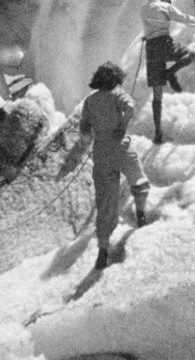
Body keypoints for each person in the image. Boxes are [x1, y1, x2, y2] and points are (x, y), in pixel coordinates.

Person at [79, 61, 150, 270]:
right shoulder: (116, 93)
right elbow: (129, 106)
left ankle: (103, 249)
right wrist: (121, 125)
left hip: (101, 153)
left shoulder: (90, 101)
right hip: (121, 148)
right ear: (115, 79)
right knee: (138, 179)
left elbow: (84, 128)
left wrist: (88, 142)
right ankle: (141, 215)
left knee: (105, 203)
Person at [140, 0, 195, 145]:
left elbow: (151, 25)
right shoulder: (164, 6)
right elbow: (185, 19)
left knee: (157, 93)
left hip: (151, 48)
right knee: (189, 54)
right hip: (164, 42)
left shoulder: (143, 9)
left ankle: (158, 132)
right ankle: (171, 72)